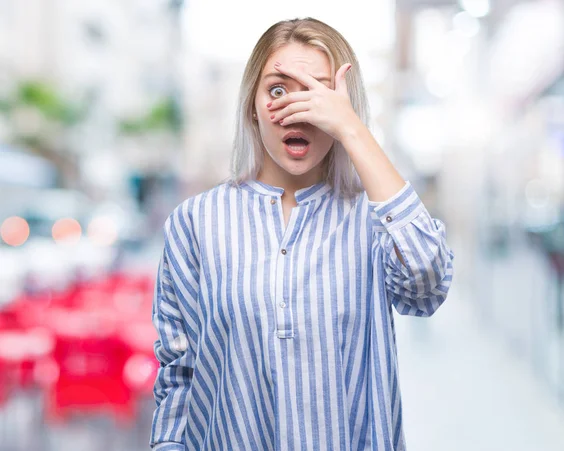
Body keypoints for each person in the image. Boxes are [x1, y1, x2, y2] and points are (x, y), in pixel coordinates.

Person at [150, 17, 455, 451]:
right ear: (251, 108)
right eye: (278, 90)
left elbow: (427, 286)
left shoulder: (372, 217)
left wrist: (353, 131)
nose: (299, 110)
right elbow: (179, 372)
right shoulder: (196, 222)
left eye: (318, 93)